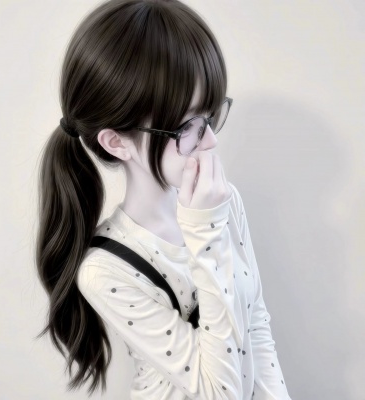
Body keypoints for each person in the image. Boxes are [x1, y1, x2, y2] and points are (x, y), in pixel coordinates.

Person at [35, 0, 292, 399]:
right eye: (188, 125)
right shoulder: (105, 269)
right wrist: (205, 233)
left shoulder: (222, 201)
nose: (211, 140)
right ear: (117, 142)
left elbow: (255, 324)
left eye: (211, 116)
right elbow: (221, 392)